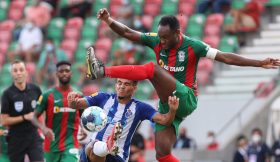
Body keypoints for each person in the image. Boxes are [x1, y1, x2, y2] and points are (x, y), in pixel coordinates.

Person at [86, 8, 280, 162]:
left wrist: (258, 62)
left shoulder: (194, 46)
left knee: (152, 69)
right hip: (168, 104)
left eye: (165, 38)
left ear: (177, 33)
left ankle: (102, 71)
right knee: (162, 154)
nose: (161, 41)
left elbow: (225, 57)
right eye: (159, 37)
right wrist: (108, 20)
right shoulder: (157, 40)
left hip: (186, 97)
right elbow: (128, 32)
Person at [67, 78, 179, 162]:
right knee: (92, 147)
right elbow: (75, 105)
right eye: (119, 83)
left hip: (118, 155)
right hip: (93, 152)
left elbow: (165, 120)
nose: (121, 86)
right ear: (116, 85)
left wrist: (172, 110)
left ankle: (107, 146)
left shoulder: (140, 108)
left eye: (126, 84)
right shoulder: (102, 97)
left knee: (93, 147)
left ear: (134, 88)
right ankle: (107, 146)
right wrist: (72, 98)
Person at [32, 61, 82, 162]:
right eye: (61, 71)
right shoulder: (47, 95)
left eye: (67, 71)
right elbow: (33, 117)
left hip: (71, 145)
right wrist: (44, 129)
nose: (64, 73)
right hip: (51, 146)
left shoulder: (78, 96)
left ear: (71, 73)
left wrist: (86, 130)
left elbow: (84, 117)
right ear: (56, 74)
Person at [0, 60, 44, 162]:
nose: (18, 73)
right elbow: (4, 121)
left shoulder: (35, 90)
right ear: (11, 74)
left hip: (33, 137)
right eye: (15, 70)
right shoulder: (7, 94)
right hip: (16, 139)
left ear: (26, 72)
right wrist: (24, 117)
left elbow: (41, 110)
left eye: (21, 70)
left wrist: (43, 128)